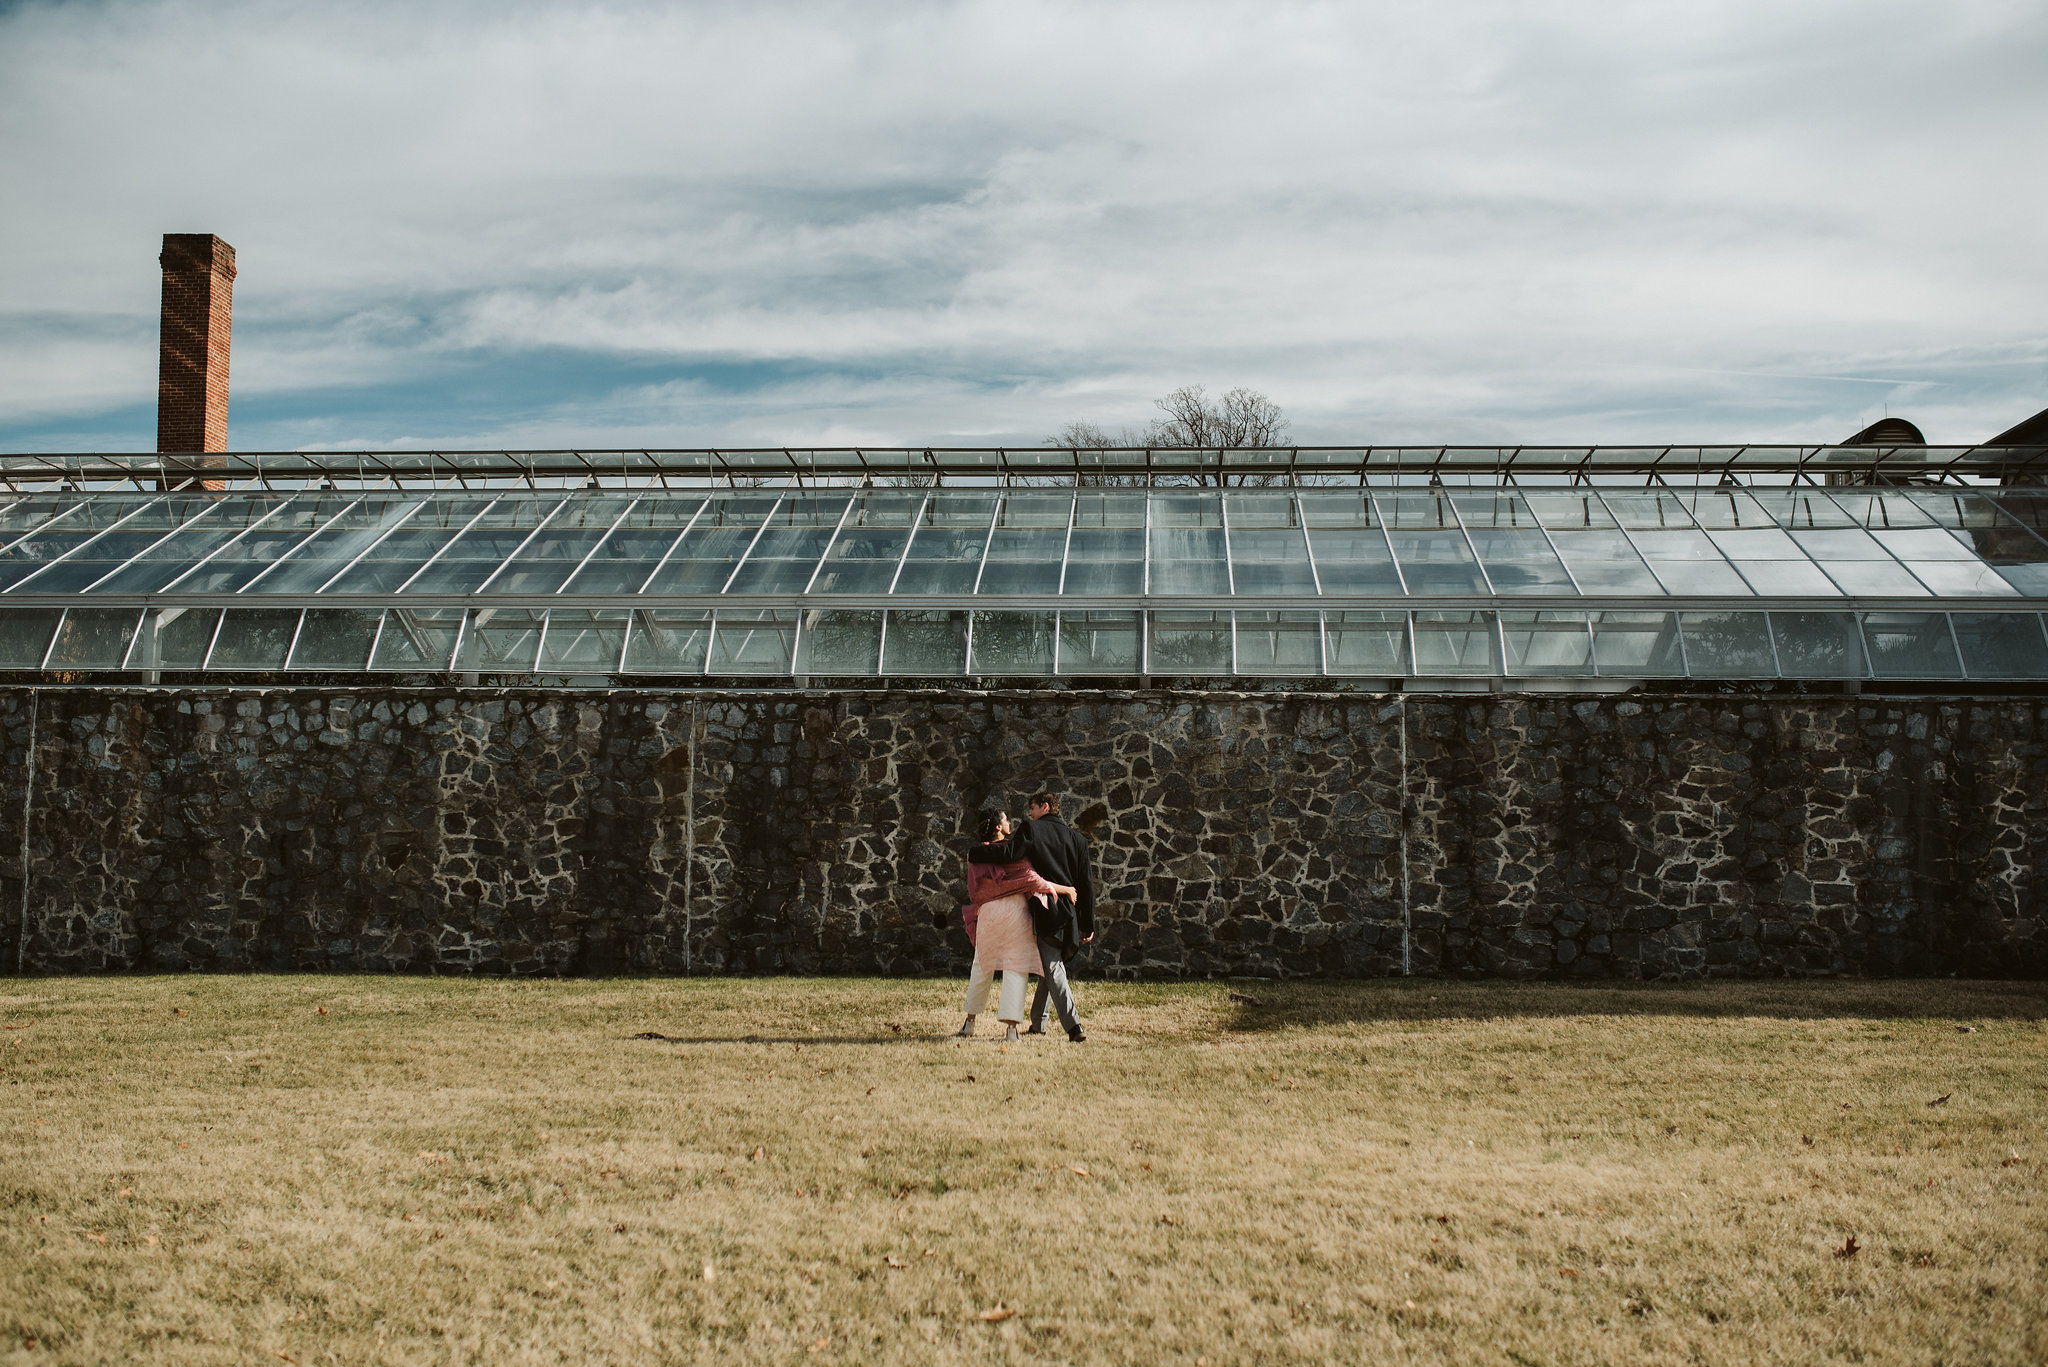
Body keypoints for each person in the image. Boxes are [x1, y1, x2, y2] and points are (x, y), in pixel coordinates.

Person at [968, 791, 1095, 1041]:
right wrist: (1087, 923)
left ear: (1045, 806)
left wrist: (976, 853)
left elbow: (1010, 854)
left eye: (1032, 808)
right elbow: (1086, 885)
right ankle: (1039, 1023)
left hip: (1046, 908)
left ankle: (1074, 1026)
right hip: (1070, 913)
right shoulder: (1078, 840)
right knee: (1049, 968)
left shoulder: (1032, 829)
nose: (1029, 813)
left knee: (1052, 968)